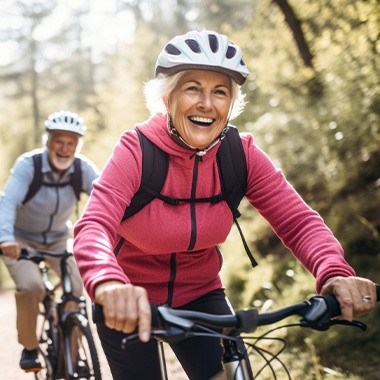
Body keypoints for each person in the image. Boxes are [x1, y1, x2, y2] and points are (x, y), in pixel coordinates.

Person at [73, 30, 377, 380]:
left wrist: (335, 272)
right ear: (167, 97)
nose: (207, 103)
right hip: (127, 296)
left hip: (201, 295)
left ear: (231, 104)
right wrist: (108, 283)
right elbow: (94, 225)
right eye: (193, 89)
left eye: (220, 92)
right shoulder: (137, 150)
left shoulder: (240, 155)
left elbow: (298, 221)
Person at [0, 110, 100, 373]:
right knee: (32, 286)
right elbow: (7, 202)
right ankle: (30, 347)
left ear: (78, 145)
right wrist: (6, 238)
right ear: (48, 141)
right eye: (59, 141)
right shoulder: (28, 165)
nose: (64, 148)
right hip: (21, 240)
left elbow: (105, 197)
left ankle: (73, 354)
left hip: (58, 239)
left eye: (71, 143)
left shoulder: (82, 168)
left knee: (77, 288)